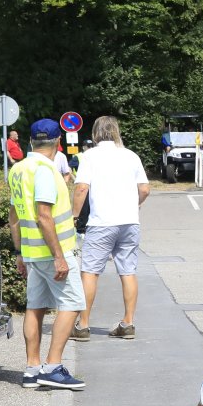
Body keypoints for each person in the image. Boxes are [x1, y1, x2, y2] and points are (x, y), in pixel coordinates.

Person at [7, 119, 86, 391]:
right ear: (58, 143)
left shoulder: (18, 169)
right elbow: (44, 216)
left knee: (35, 306)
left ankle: (32, 369)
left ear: (30, 142)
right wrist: (59, 256)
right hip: (52, 252)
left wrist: (19, 251)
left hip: (31, 252)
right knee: (73, 303)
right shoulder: (45, 170)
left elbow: (14, 216)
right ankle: (52, 368)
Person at [71, 116, 149, 341]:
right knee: (128, 271)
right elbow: (145, 189)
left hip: (101, 222)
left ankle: (83, 326)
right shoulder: (131, 155)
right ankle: (128, 323)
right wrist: (134, 205)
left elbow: (81, 188)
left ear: (96, 133)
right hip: (129, 222)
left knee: (90, 272)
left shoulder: (90, 156)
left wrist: (74, 216)